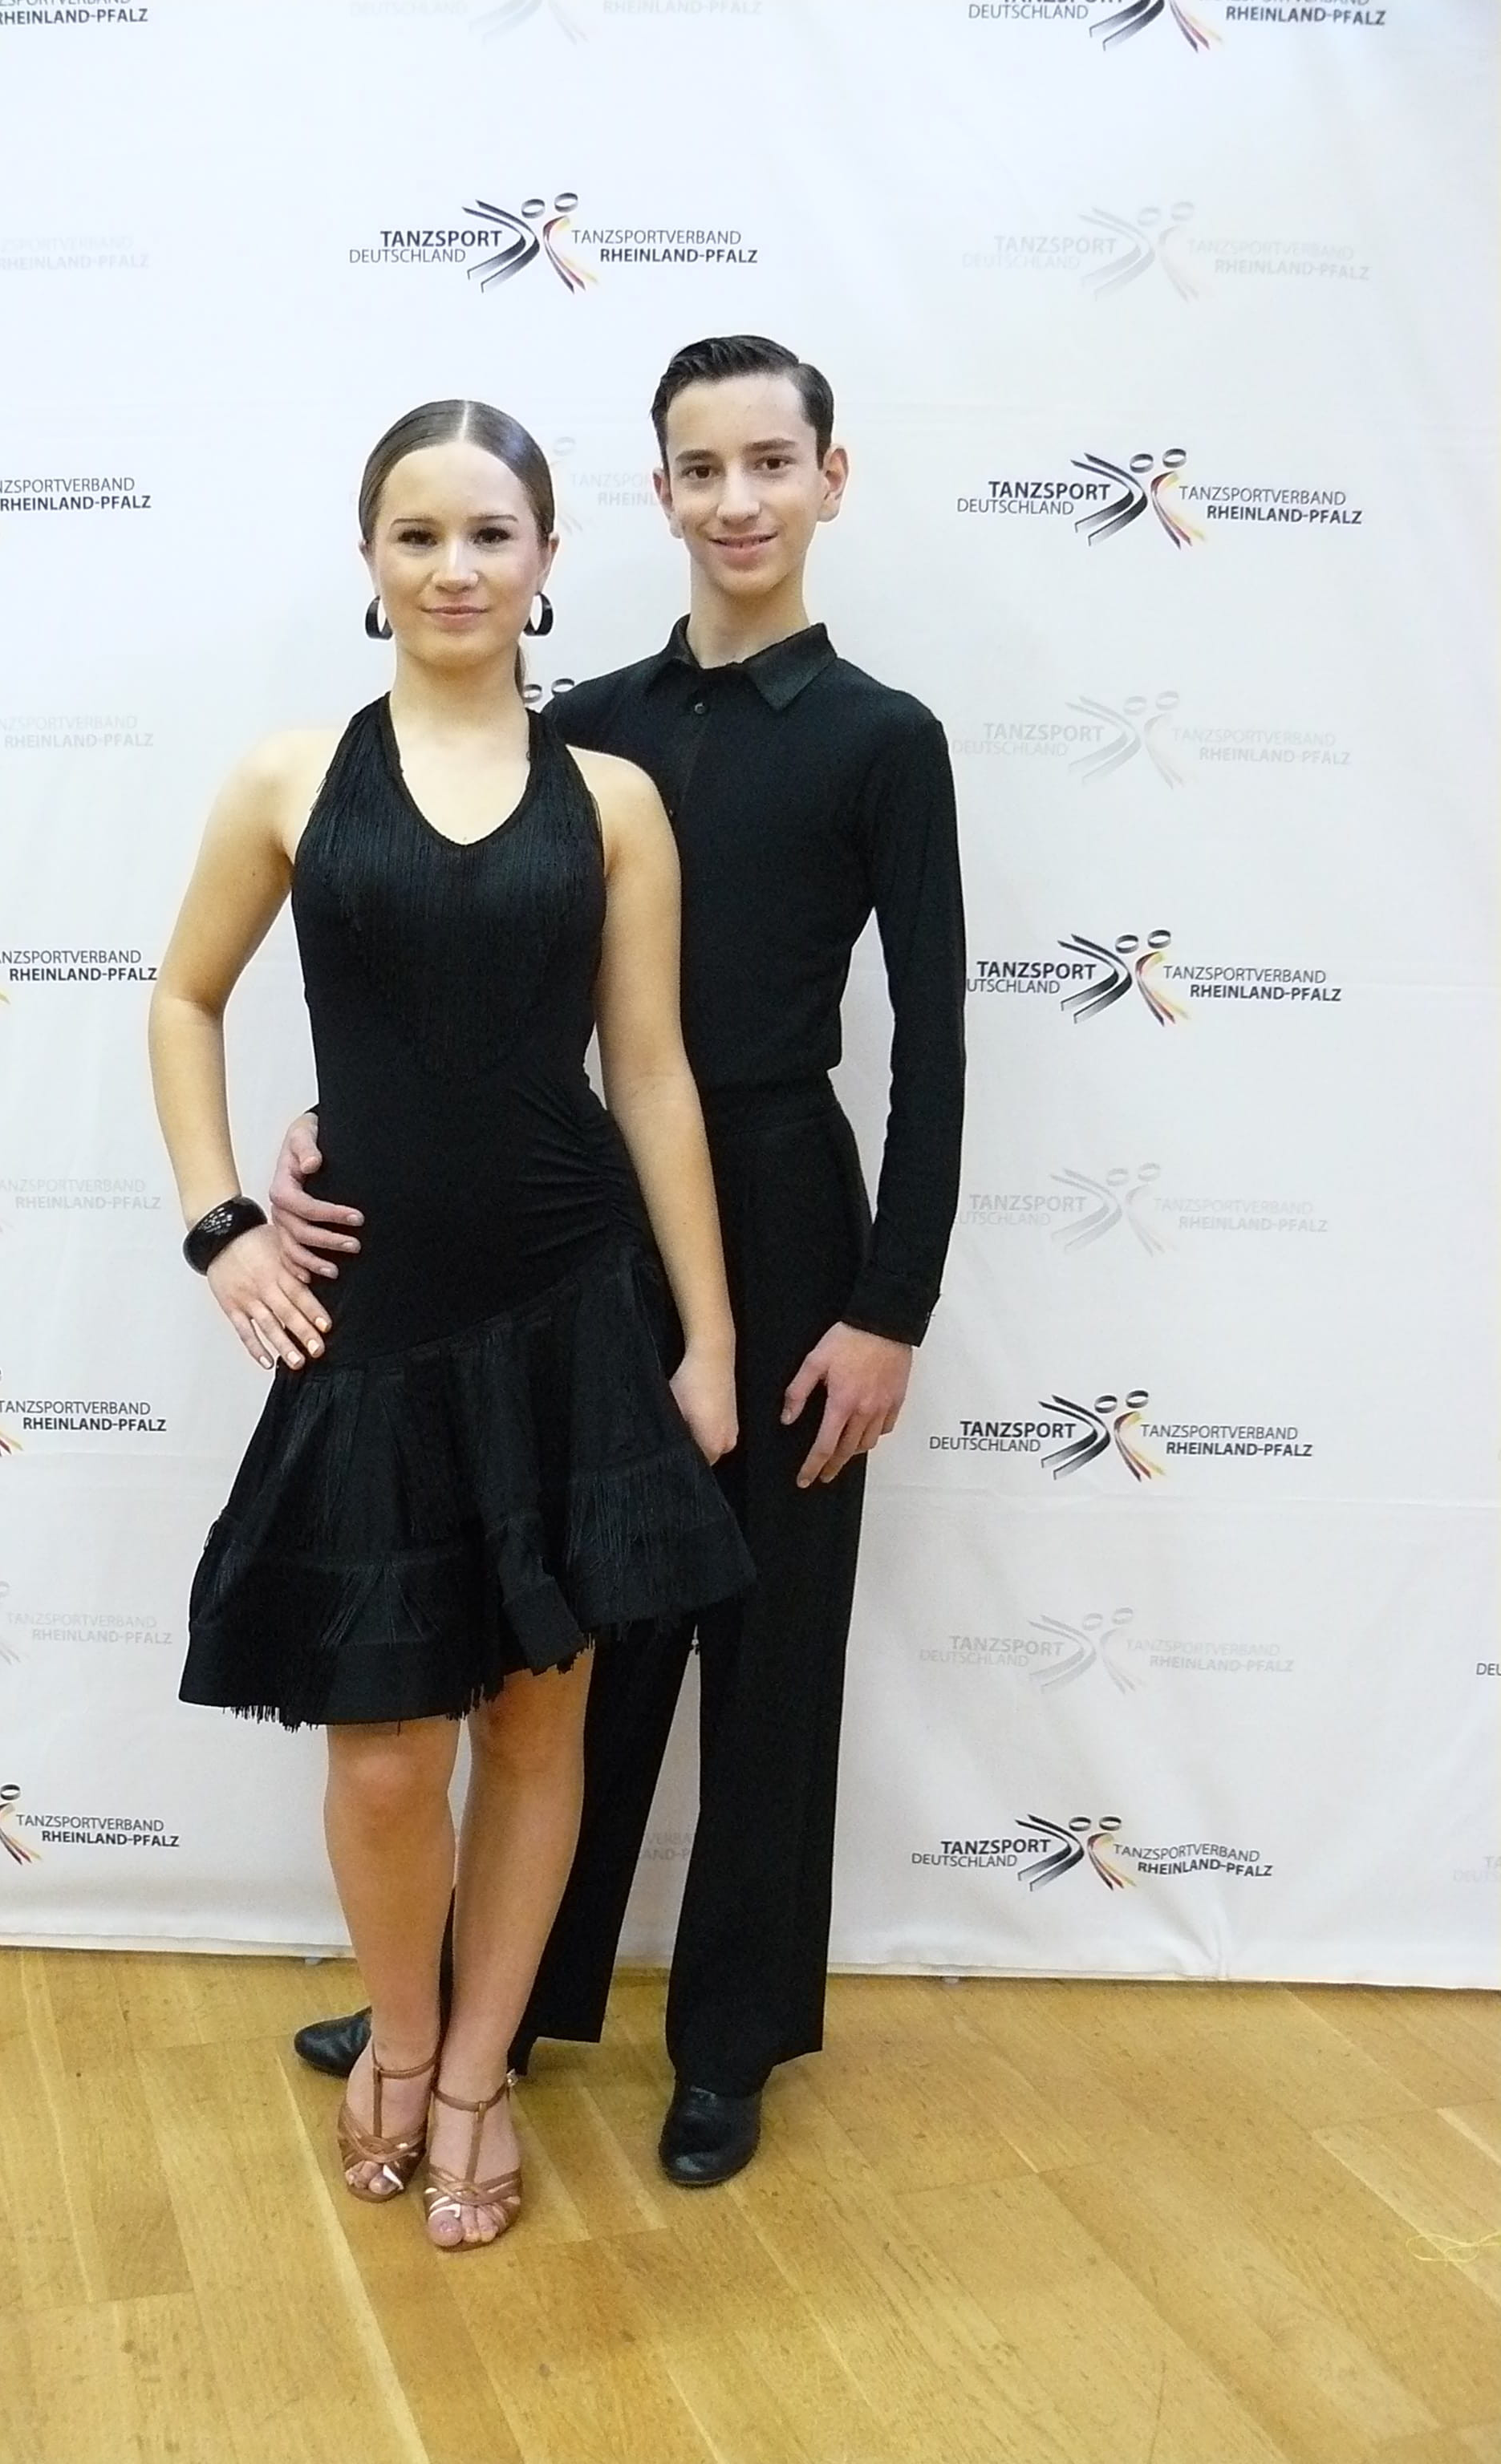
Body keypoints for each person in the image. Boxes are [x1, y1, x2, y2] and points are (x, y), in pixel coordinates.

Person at [278, 337, 966, 2186]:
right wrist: (340, 1127)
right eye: (702, 468)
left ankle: (729, 2040)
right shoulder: (584, 723)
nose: (738, 499)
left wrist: (889, 1305)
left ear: (830, 478)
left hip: (789, 1204)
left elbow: (938, 1042)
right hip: (580, 1206)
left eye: (771, 462)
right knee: (564, 1627)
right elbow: (461, 958)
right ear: (656, 495)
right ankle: (488, 2014)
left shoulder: (884, 739)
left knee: (769, 1635)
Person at [148, 398, 753, 2250]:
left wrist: (708, 1339)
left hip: (570, 1314)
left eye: (492, 533)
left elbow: (652, 1078)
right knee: (389, 1752)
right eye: (418, 533)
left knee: (538, 1731)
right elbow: (182, 1000)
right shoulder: (288, 779)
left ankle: (481, 2075)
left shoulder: (616, 803)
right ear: (370, 558)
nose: (456, 566)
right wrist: (221, 1227)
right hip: (373, 1328)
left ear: (549, 558)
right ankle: (400, 2040)